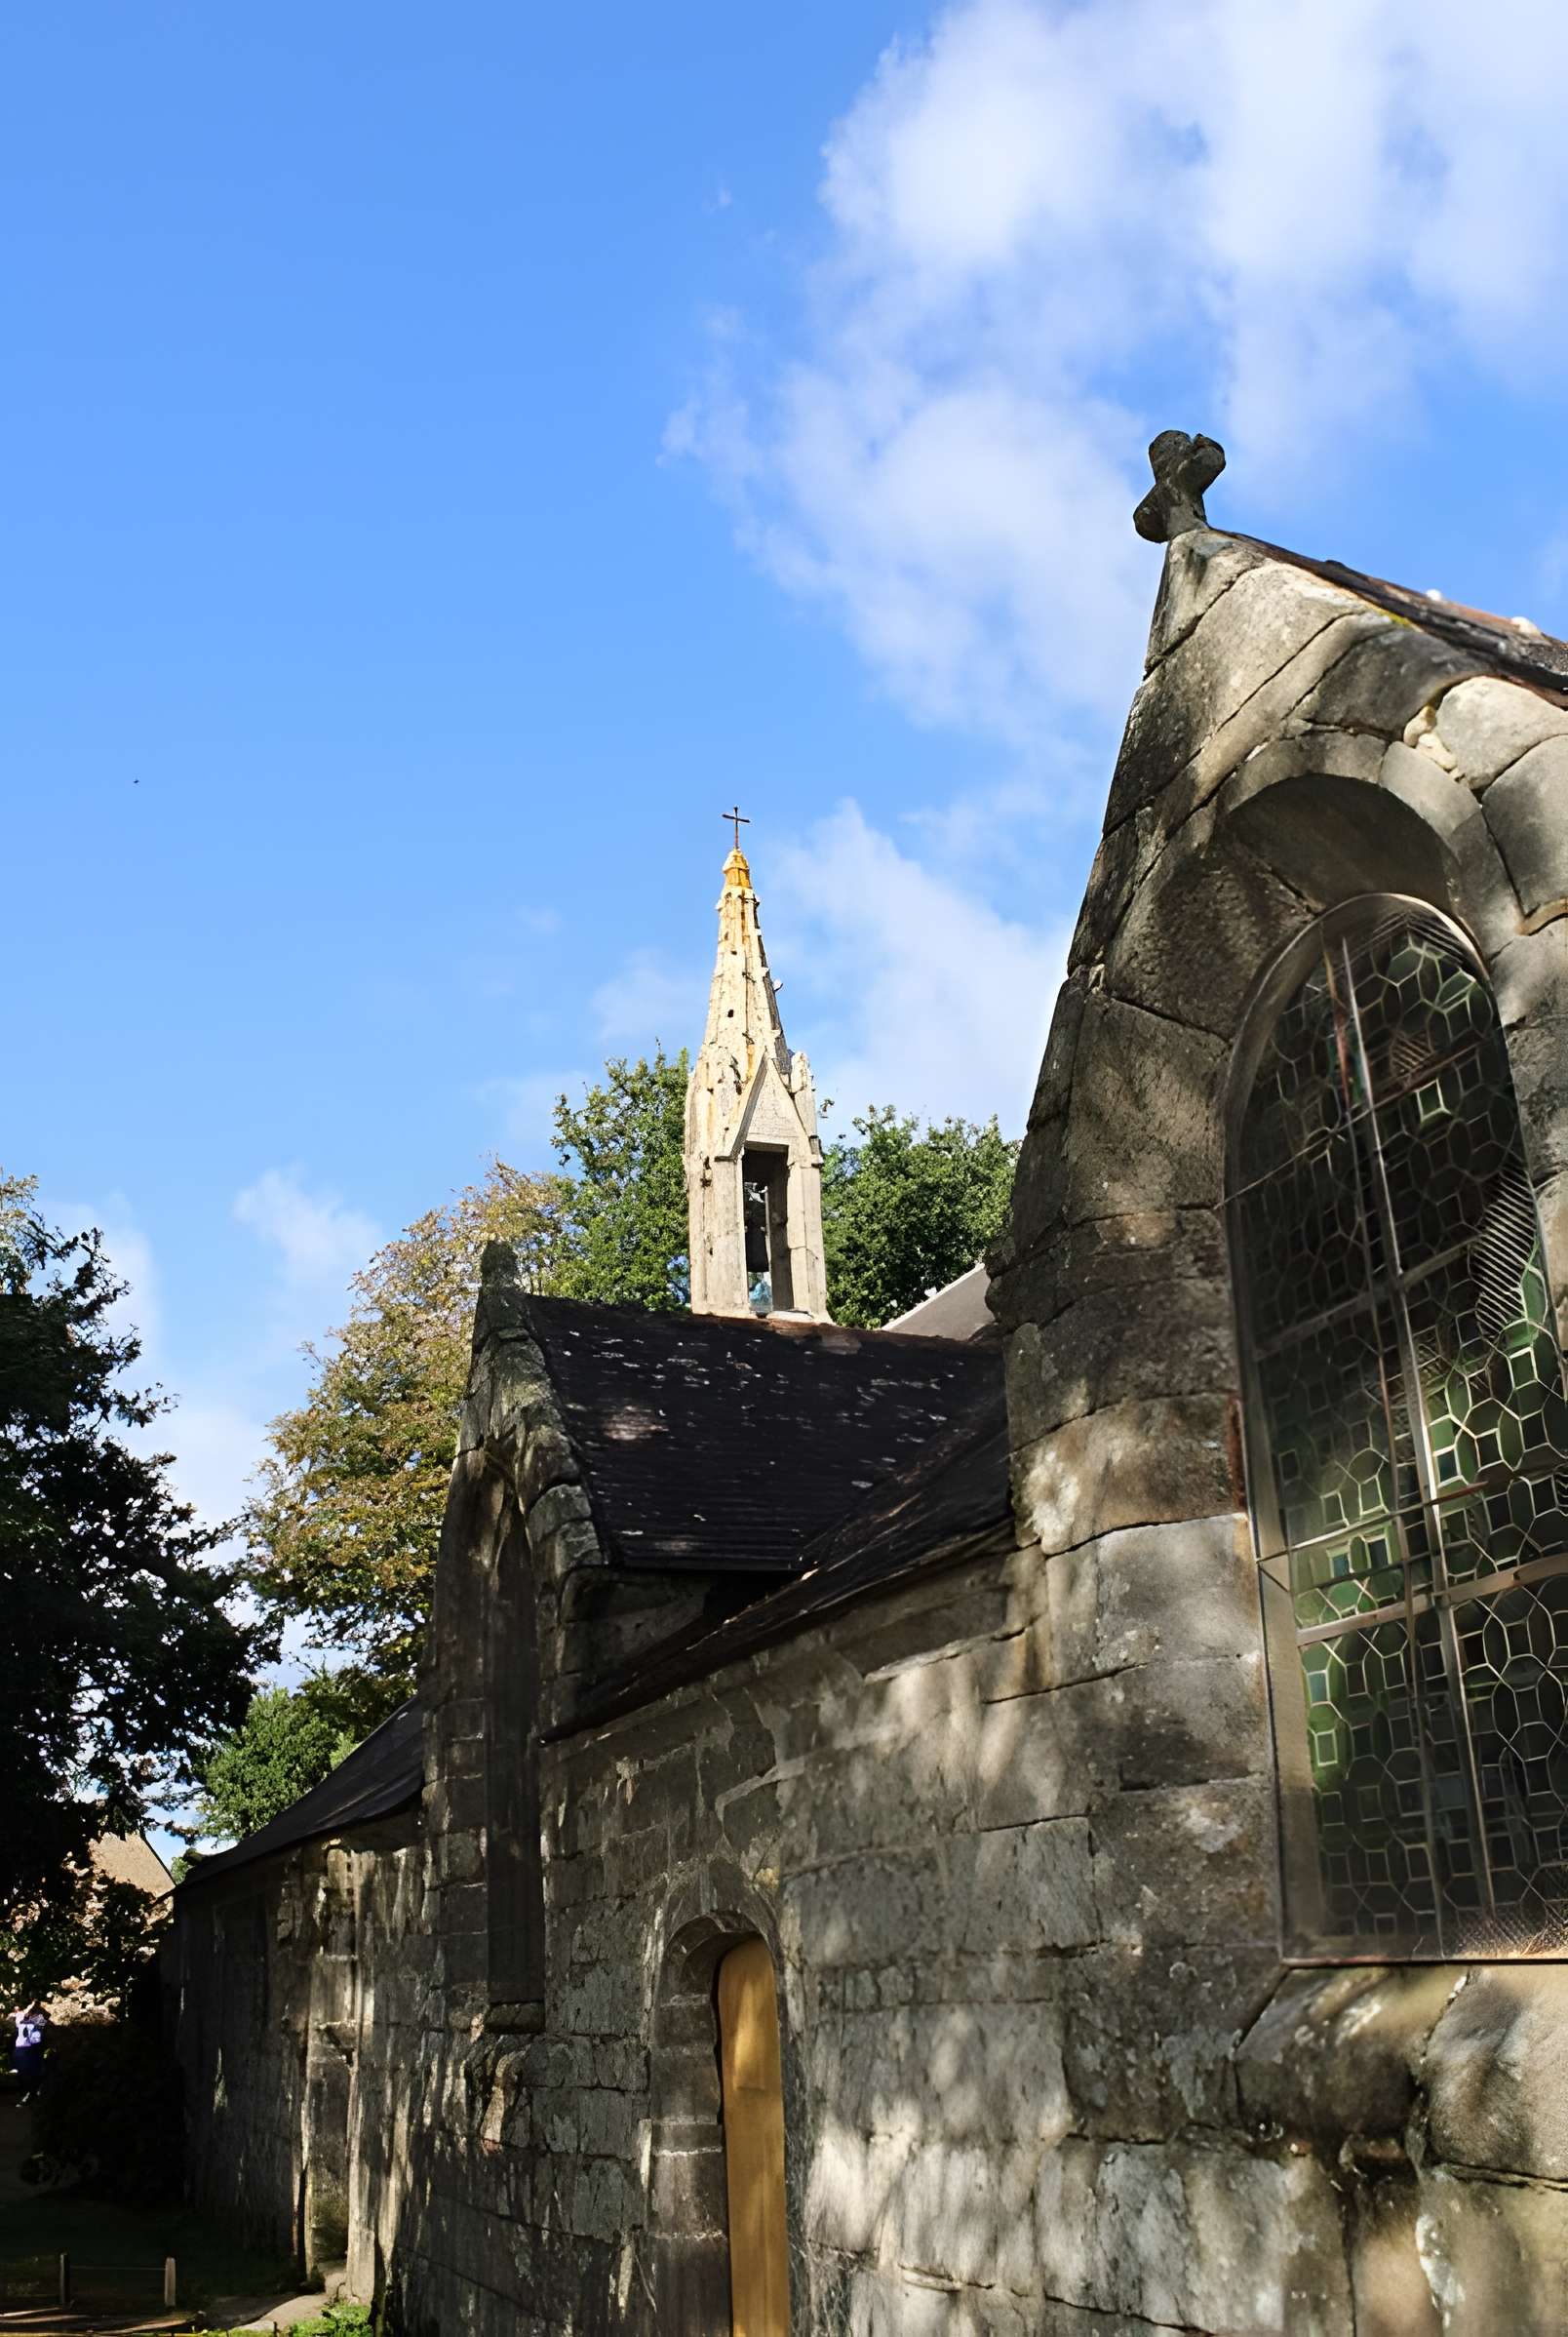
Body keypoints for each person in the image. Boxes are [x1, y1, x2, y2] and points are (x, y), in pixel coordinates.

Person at [11, 2000, 48, 2104]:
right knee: (30, 2074)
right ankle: (30, 2094)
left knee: (30, 2073)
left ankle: (30, 2094)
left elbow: (42, 2027)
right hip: (27, 2050)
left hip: (28, 2050)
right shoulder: (27, 2018)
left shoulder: (30, 2018)